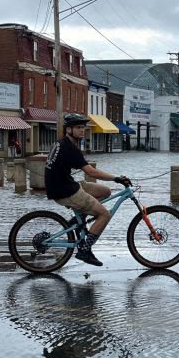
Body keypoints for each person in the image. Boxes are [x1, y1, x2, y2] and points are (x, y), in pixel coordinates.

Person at [45, 114, 131, 267]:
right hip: (64, 191)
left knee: (105, 192)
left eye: (83, 128)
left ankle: (78, 220)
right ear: (69, 129)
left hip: (66, 184)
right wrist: (116, 178)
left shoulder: (62, 143)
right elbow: (92, 172)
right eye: (78, 128)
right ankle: (85, 250)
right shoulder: (69, 148)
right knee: (104, 214)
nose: (82, 130)